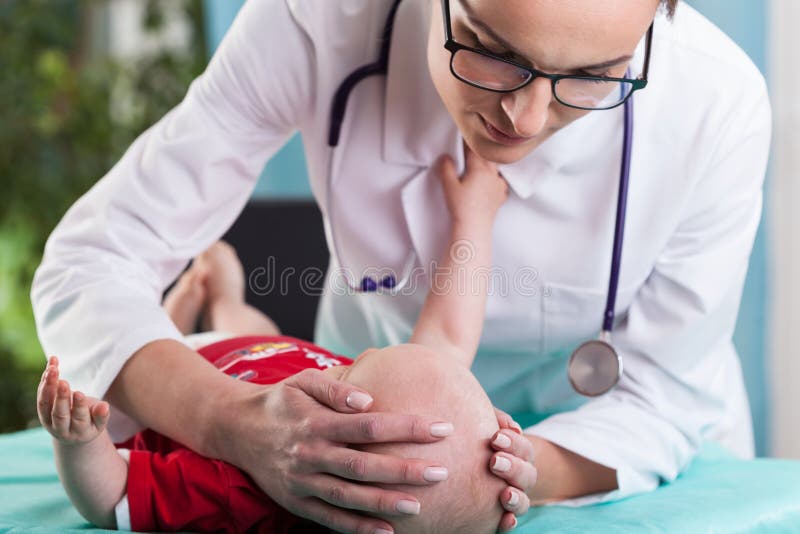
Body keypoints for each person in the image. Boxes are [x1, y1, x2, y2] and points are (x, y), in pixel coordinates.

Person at [31, 0, 772, 532]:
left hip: (612, 449)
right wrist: (231, 422)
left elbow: (663, 397)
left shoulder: (718, 103)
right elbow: (90, 262)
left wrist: (494, 477)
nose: (524, 119)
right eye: (491, 50)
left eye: (593, 76)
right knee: (245, 339)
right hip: (356, 403)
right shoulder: (317, 17)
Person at [36, 160, 510, 533]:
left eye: (348, 373)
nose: (359, 355)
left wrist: (77, 443)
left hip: (165, 382)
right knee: (251, 325)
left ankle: (181, 309)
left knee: (180, 350)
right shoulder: (386, 402)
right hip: (261, 348)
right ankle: (223, 298)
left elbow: (114, 496)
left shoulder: (245, 489)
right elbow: (449, 333)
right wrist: (473, 218)